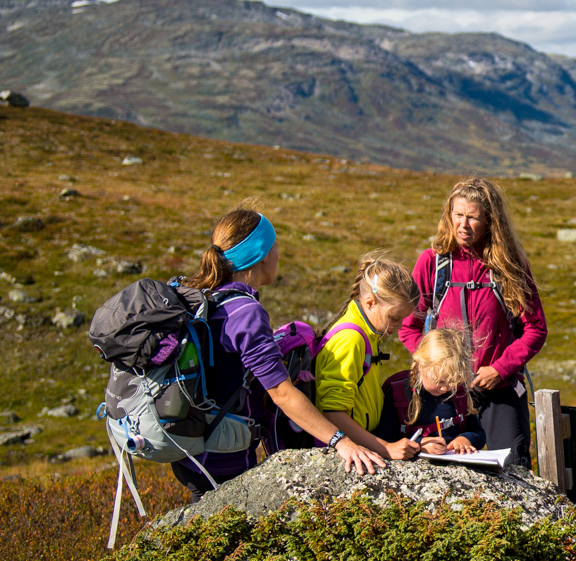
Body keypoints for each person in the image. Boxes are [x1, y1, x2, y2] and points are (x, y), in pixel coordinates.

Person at [172, 206, 400, 498]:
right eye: (275, 245)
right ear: (261, 255)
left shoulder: (208, 296)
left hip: (194, 443)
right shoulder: (245, 312)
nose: (278, 253)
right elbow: (282, 392)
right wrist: (341, 441)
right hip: (220, 454)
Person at [399, 176, 548, 464]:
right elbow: (409, 327)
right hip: (446, 393)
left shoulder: (509, 264)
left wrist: (501, 369)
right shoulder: (432, 262)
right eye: (457, 215)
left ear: (491, 221)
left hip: (499, 389)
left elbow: (535, 328)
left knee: (512, 469)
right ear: (448, 215)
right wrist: (432, 367)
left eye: (473, 218)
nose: (463, 225)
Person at [312, 251, 424, 463]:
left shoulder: (369, 331)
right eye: (395, 318)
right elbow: (333, 413)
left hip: (363, 443)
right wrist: (386, 448)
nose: (399, 326)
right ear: (371, 302)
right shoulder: (351, 340)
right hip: (348, 452)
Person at [381, 327, 486, 455]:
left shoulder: (459, 394)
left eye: (452, 382)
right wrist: (419, 445)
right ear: (421, 366)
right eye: (439, 381)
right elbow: (386, 441)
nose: (446, 388)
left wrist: (466, 439)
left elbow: (479, 434)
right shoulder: (399, 394)